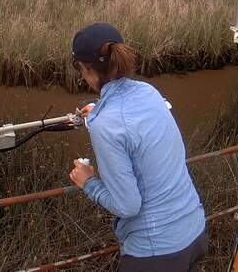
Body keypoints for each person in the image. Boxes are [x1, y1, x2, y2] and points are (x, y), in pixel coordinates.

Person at [68, 22, 207, 272]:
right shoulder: (148, 91)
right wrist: (99, 112)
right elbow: (133, 126)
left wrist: (88, 182)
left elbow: (128, 206)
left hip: (157, 252)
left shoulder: (106, 124)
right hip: (195, 232)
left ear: (85, 69)